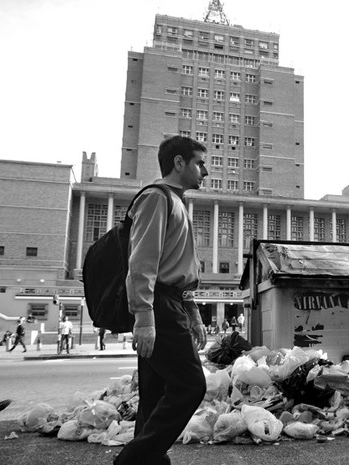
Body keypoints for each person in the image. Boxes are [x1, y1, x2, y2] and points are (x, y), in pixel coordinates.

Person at [114, 135, 209, 465]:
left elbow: (180, 270)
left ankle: (150, 461)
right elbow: (142, 262)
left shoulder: (177, 202)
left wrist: (194, 312)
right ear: (179, 163)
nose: (206, 171)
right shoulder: (156, 198)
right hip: (158, 307)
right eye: (200, 163)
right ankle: (132, 461)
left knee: (154, 394)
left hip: (171, 304)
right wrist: (144, 315)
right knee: (190, 386)